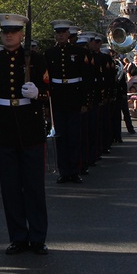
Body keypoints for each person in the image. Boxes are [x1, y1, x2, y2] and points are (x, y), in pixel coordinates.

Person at [0, 13, 49, 255]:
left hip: (30, 127)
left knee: (33, 187)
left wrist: (37, 94)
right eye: (5, 32)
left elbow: (49, 92)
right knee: (10, 188)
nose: (8, 35)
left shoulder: (37, 59)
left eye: (13, 32)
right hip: (4, 127)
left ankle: (38, 237)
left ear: (22, 35)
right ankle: (18, 237)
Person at [44, 20, 87, 182]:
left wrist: (84, 102)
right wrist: (47, 104)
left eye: (63, 33)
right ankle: (64, 171)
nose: (61, 35)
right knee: (61, 136)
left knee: (74, 136)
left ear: (68, 34)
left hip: (74, 96)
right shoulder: (49, 54)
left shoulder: (78, 52)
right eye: (58, 33)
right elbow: (46, 80)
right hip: (58, 97)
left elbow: (85, 78)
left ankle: (74, 170)